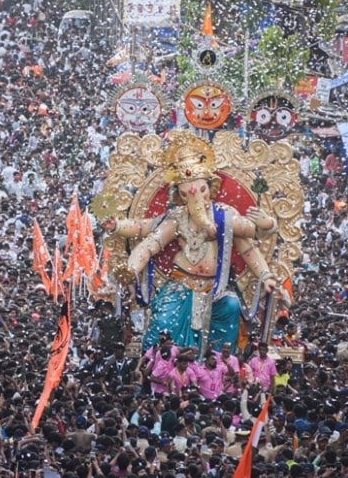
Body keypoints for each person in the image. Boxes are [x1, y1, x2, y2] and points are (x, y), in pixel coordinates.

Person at [101, 131, 281, 352]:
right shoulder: (177, 218)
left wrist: (266, 273)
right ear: (180, 196)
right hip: (181, 285)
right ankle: (162, 365)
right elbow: (146, 237)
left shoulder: (225, 216)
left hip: (216, 289)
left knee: (231, 308)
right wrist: (125, 252)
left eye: (202, 190)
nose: (197, 199)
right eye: (187, 195)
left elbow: (249, 247)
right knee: (163, 325)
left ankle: (215, 368)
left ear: (211, 187)